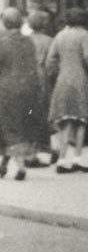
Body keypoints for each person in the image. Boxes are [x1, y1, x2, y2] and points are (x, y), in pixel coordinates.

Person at [43, 9, 88, 173]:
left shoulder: (60, 35)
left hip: (63, 79)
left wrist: (56, 72)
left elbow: (50, 60)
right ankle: (78, 159)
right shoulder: (84, 34)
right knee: (81, 120)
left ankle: (61, 160)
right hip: (80, 78)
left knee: (65, 120)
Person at [0, 10, 46, 181]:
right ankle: (3, 165)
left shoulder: (2, 41)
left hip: (6, 89)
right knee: (18, 126)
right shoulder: (28, 41)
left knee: (8, 127)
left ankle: (20, 167)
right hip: (28, 89)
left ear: (5, 23)